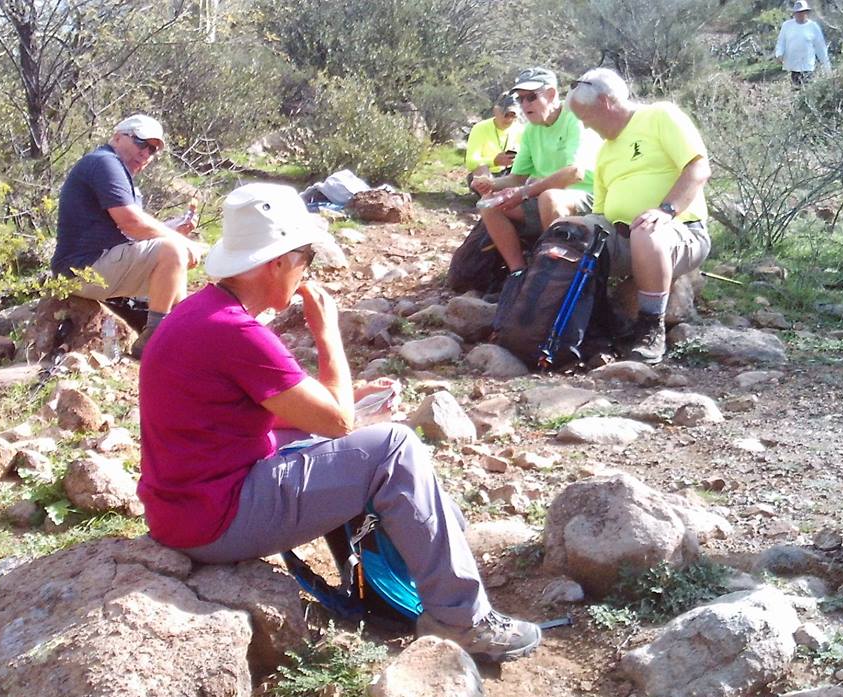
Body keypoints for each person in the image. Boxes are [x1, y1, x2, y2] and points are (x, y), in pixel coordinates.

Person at [137, 182, 542, 663]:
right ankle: (461, 619)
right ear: (277, 263)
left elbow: (254, 409)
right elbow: (337, 421)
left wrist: (346, 402)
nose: (307, 270)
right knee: (393, 448)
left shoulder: (201, 313)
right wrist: (327, 334)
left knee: (357, 435)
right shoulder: (238, 332)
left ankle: (428, 555)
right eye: (305, 258)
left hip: (184, 508)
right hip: (216, 520)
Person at [566, 68, 712, 364]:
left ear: (605, 103)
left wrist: (666, 210)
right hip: (624, 238)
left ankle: (651, 328)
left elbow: (698, 168)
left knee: (647, 228)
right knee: (571, 230)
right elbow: (600, 215)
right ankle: (585, 323)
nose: (585, 127)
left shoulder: (660, 116)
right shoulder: (604, 152)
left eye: (586, 118)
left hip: (679, 231)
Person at [51, 114, 206, 359]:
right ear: (117, 137)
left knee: (174, 257)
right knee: (173, 250)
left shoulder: (118, 173)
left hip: (93, 268)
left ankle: (179, 333)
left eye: (152, 149)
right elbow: (131, 223)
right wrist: (179, 241)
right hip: (82, 270)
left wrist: (172, 230)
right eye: (141, 142)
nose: (146, 153)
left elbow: (128, 232)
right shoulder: (105, 162)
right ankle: (156, 339)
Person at [471, 67, 600, 274]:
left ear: (551, 94)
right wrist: (491, 184)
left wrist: (525, 192)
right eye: (520, 99)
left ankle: (554, 273)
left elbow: (575, 173)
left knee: (550, 198)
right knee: (490, 205)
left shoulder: (574, 119)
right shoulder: (531, 130)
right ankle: (519, 272)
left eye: (531, 97)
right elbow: (517, 178)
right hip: (543, 197)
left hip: (587, 196)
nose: (524, 105)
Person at [464, 93, 524, 191]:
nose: (509, 119)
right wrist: (494, 161)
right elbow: (470, 162)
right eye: (506, 114)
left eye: (513, 116)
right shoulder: (480, 128)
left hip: (510, 175)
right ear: (496, 111)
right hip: (487, 174)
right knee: (481, 168)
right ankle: (489, 196)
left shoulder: (521, 130)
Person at [774, 0, 831, 86]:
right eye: (797, 12)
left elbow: (820, 48)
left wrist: (827, 68)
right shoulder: (787, 26)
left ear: (806, 12)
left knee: (807, 87)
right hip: (792, 67)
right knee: (795, 88)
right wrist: (779, 54)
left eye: (802, 12)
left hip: (807, 67)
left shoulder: (813, 27)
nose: (799, 14)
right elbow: (781, 42)